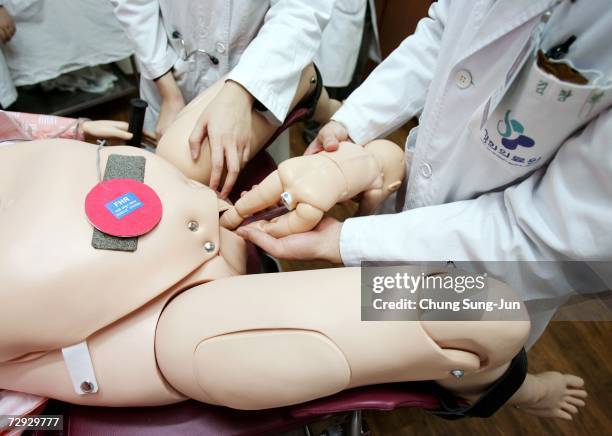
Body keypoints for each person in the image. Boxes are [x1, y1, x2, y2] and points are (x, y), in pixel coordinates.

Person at [236, 0, 612, 347]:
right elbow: (442, 35)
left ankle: (526, 390)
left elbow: (549, 238)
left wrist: (344, 241)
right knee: (370, 324)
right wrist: (351, 123)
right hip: (409, 209)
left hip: (498, 266)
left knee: (452, 360)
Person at [111, 0, 352, 198]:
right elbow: (133, 5)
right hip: (170, 69)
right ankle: (311, 88)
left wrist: (242, 91)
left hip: (258, 67)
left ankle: (307, 84)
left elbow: (300, 10)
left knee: (183, 163)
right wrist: (169, 93)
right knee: (169, 181)